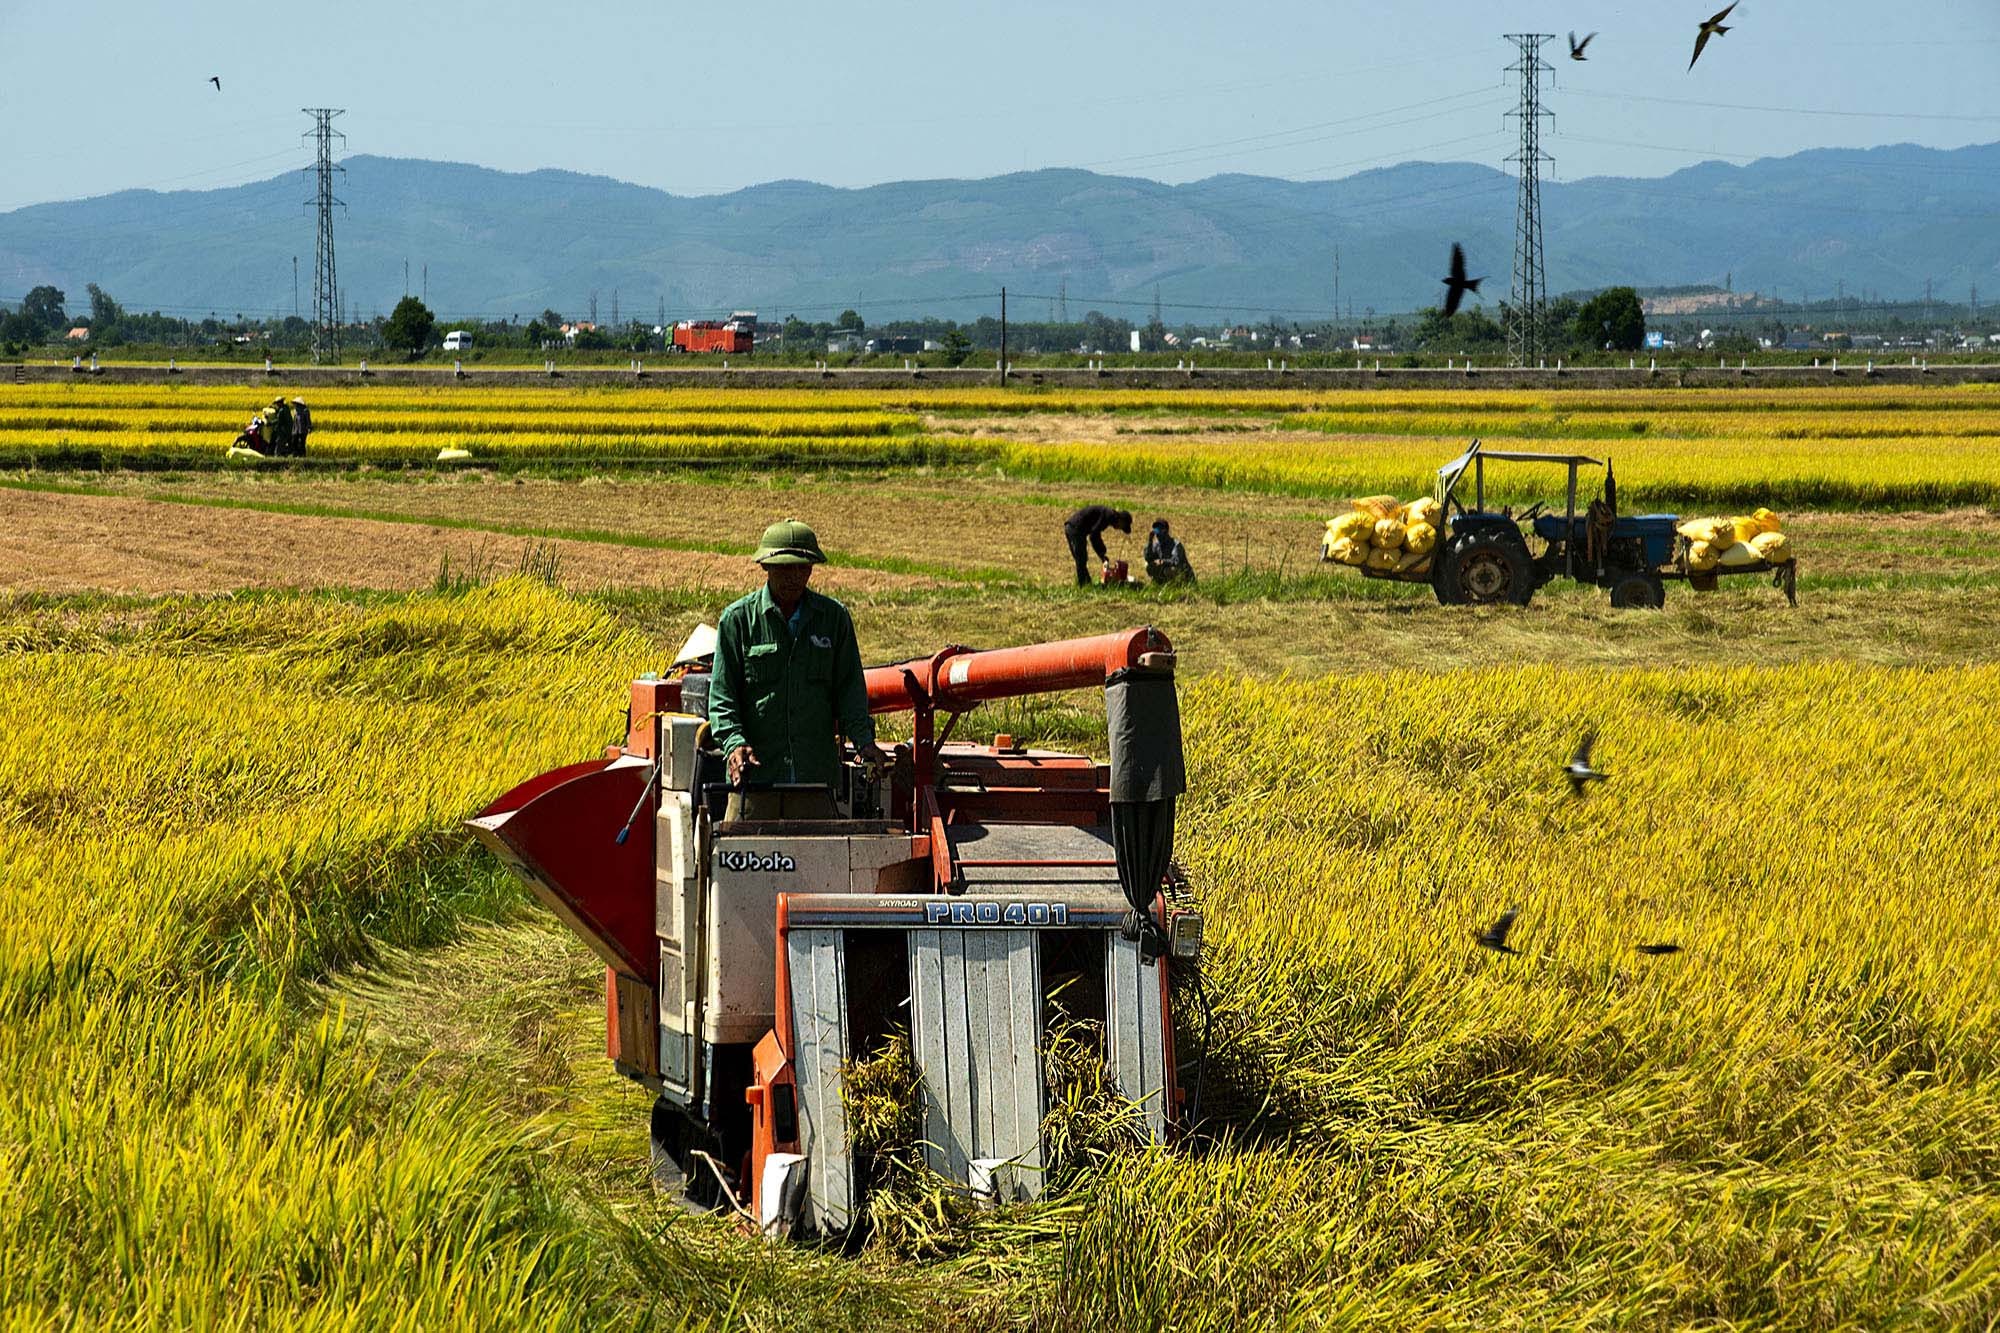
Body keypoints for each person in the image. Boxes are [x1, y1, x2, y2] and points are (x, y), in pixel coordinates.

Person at [706, 519, 889, 821]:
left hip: (814, 783)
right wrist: (734, 743)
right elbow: (722, 699)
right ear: (766, 566)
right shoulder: (738, 621)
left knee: (819, 850)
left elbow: (850, 690)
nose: (794, 577)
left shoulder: (833, 619)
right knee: (742, 850)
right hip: (755, 783)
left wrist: (864, 741)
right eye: (784, 568)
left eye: (802, 568)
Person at [1063, 505, 1132, 586]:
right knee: (1081, 559)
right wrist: (1101, 553)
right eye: (1122, 527)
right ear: (1121, 520)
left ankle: (1086, 583)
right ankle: (1083, 584)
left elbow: (1095, 533)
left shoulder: (1109, 515)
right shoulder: (1108, 516)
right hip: (1075, 528)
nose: (1119, 529)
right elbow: (1094, 535)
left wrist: (1101, 554)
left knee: (1081, 560)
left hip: (1072, 527)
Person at [1145, 518, 1197, 584]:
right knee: (1149, 566)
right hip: (1166, 571)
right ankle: (1160, 584)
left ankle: (1178, 586)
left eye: (1160, 529)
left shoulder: (1176, 544)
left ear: (1166, 531)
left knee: (1169, 570)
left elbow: (1176, 561)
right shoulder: (1156, 545)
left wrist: (1163, 562)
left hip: (1184, 574)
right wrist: (1150, 541)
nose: (1157, 533)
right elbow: (1148, 558)